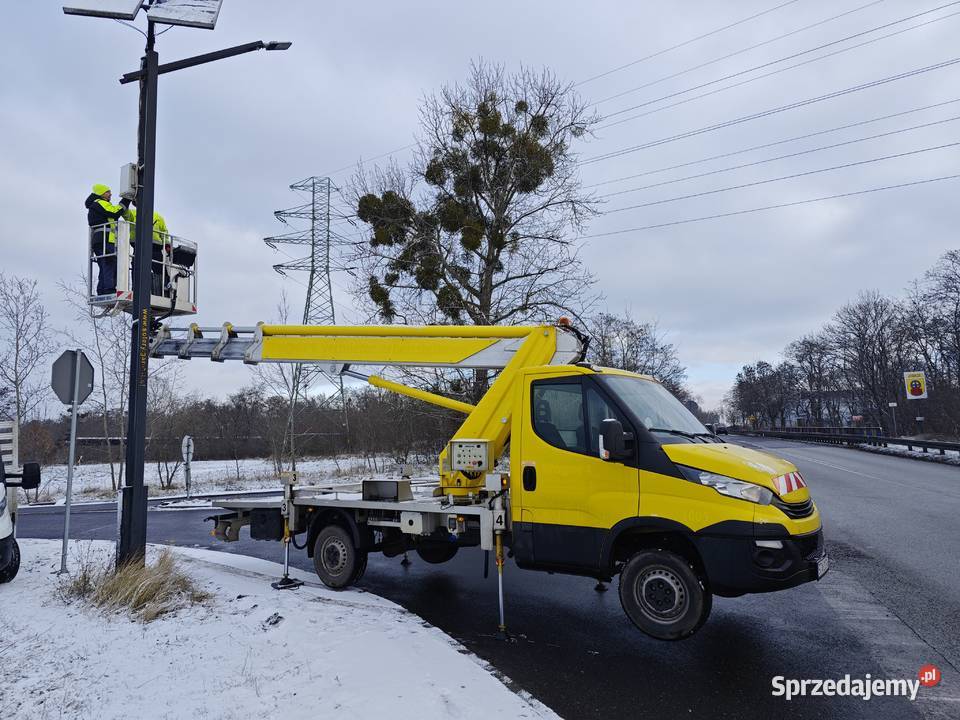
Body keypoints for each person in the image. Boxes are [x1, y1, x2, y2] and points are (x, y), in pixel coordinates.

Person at [85, 184, 131, 295]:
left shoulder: (96, 205)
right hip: (104, 239)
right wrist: (126, 199)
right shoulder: (100, 203)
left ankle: (102, 290)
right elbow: (115, 212)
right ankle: (108, 290)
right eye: (108, 192)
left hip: (101, 240)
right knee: (109, 263)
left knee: (105, 264)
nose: (110, 194)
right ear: (101, 193)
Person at [125, 208, 170, 296]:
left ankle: (136, 289)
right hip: (150, 247)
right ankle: (163, 291)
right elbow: (164, 233)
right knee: (159, 269)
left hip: (146, 247)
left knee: (138, 267)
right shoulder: (158, 216)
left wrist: (167, 245)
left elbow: (164, 232)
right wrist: (167, 245)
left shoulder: (133, 213)